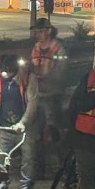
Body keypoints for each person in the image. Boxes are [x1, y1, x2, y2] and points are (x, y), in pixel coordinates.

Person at [0, 54, 40, 189]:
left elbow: (33, 103)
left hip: (25, 128)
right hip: (4, 126)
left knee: (28, 159)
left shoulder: (28, 78)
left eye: (8, 73)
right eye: (4, 72)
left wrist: (23, 123)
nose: (5, 75)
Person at [29, 17, 67, 176]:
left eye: (40, 30)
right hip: (38, 95)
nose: (38, 33)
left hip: (52, 95)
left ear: (48, 31)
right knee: (36, 133)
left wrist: (47, 78)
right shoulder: (36, 48)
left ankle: (63, 167)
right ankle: (39, 169)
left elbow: (60, 71)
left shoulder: (58, 49)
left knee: (54, 131)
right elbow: (32, 66)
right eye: (37, 31)